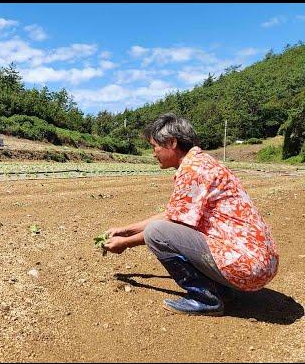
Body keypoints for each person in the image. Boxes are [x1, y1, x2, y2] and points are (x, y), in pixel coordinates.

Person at [103, 113, 279, 316]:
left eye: (154, 146)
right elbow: (172, 214)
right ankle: (221, 289)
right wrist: (124, 230)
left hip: (248, 267)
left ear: (171, 142)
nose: (153, 153)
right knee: (162, 229)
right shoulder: (202, 163)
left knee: (155, 233)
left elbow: (167, 226)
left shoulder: (193, 170)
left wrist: (124, 243)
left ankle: (206, 298)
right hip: (258, 264)